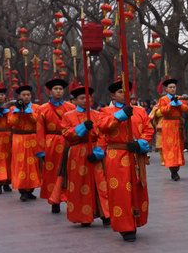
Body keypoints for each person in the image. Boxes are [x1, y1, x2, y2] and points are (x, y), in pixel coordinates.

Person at [97, 79, 155, 242]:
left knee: (137, 189)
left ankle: (135, 221)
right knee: (120, 191)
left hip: (135, 154)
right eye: (121, 92)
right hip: (117, 155)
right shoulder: (106, 111)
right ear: (113, 95)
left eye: (127, 90)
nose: (125, 94)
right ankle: (125, 227)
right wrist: (121, 116)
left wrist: (139, 144)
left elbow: (148, 130)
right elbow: (103, 127)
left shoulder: (140, 111)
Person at [61, 85, 111, 227]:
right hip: (78, 152)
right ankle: (84, 216)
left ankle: (105, 213)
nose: (86, 100)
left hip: (95, 150)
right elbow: (66, 133)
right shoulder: (68, 116)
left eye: (88, 98)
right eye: (82, 98)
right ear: (75, 100)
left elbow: (103, 133)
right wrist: (82, 128)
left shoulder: (97, 114)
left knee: (100, 181)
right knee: (80, 183)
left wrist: (99, 151)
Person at [35, 78, 75, 214]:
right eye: (55, 89)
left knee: (70, 171)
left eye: (60, 89)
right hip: (51, 143)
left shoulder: (71, 107)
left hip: (68, 141)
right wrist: (41, 151)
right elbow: (40, 130)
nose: (58, 91)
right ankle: (55, 200)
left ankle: (70, 198)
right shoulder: (42, 109)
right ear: (50, 92)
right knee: (52, 173)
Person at [8, 85, 42, 201]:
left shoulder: (37, 107)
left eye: (28, 95)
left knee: (33, 164)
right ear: (19, 97)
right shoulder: (13, 109)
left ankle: (30, 189)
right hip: (19, 138)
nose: (26, 97)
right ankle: (22, 190)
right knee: (21, 164)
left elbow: (38, 120)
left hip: (33, 137)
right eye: (24, 95)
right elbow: (12, 123)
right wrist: (18, 111)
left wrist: (29, 112)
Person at [156, 77, 188, 180]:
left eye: (174, 87)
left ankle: (176, 168)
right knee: (170, 147)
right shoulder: (163, 99)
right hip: (168, 124)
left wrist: (178, 103)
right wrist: (171, 104)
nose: (173, 89)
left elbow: (186, 109)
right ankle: (173, 170)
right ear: (166, 89)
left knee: (178, 146)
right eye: (170, 87)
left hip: (178, 124)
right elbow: (163, 111)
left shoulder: (179, 98)